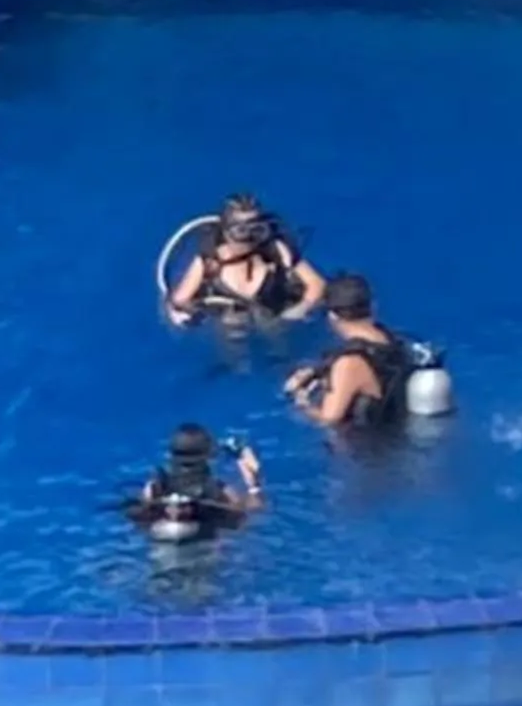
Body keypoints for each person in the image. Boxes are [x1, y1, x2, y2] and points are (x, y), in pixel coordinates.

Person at [166, 194, 326, 326]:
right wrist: (192, 314)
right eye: (240, 231)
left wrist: (302, 308)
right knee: (232, 326)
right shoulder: (210, 261)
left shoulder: (276, 250)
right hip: (231, 319)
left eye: (256, 230)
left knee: (273, 328)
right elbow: (179, 300)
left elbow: (316, 283)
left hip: (274, 314)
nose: (249, 238)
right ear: (226, 232)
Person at [285, 273, 415, 430]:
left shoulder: (349, 363)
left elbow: (328, 419)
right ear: (372, 307)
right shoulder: (390, 339)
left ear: (332, 317)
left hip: (369, 450)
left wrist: (300, 402)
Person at [128, 424, 264, 543]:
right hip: (204, 555)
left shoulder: (156, 486)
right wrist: (254, 485)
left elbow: (141, 517)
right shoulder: (217, 490)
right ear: (207, 457)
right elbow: (249, 516)